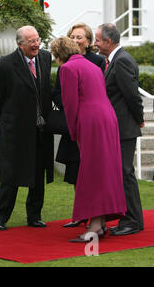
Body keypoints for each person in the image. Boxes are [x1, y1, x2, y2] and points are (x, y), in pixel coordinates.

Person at [50, 36, 127, 242]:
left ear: (59, 55)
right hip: (108, 119)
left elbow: (70, 105)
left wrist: (73, 132)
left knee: (92, 172)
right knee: (104, 170)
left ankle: (94, 227)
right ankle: (99, 224)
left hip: (90, 121)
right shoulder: (93, 66)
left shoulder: (67, 69)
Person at [0, 26, 54, 230]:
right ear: (20, 44)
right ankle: (0, 217)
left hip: (41, 129)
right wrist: (8, 122)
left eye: (38, 40)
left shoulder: (45, 58)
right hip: (15, 131)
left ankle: (34, 215)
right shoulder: (5, 65)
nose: (36, 44)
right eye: (31, 41)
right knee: (11, 175)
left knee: (38, 174)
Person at [52, 23, 106, 228]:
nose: (75, 40)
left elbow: (74, 102)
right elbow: (61, 94)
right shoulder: (84, 66)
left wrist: (74, 130)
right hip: (96, 120)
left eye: (79, 37)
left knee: (91, 173)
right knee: (82, 172)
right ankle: (93, 219)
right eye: (72, 37)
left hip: (85, 124)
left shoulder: (76, 66)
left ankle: (96, 222)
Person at [95, 23, 145, 236]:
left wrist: (139, 118)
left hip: (124, 127)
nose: (95, 43)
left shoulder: (122, 60)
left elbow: (132, 95)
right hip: (118, 127)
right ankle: (133, 219)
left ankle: (132, 221)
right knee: (123, 173)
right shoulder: (114, 60)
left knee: (125, 173)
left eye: (97, 40)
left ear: (108, 41)